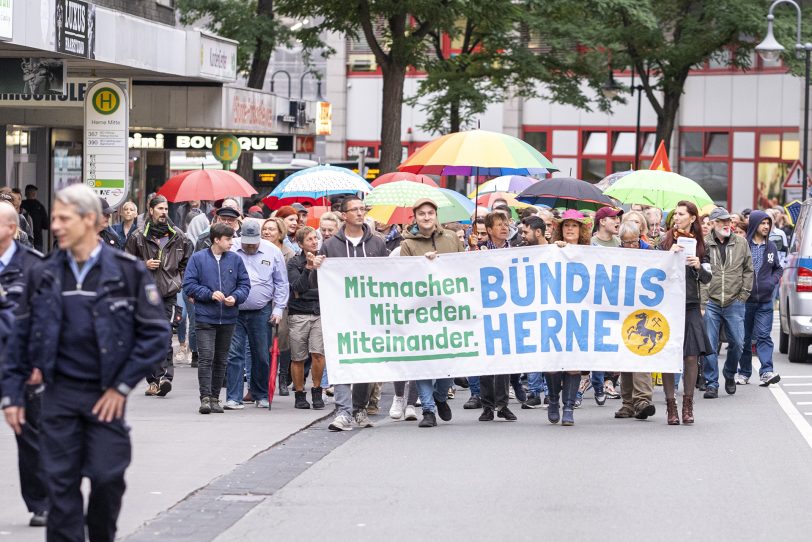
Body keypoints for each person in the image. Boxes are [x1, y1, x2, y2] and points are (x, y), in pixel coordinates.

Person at [2, 184, 170, 542]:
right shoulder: (43, 272)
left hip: (105, 396)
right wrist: (13, 394)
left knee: (108, 479)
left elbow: (155, 335)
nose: (56, 225)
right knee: (60, 490)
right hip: (57, 396)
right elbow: (18, 337)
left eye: (64, 218)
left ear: (90, 220)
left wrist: (122, 386)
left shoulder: (127, 272)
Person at [311, 195, 387, 431]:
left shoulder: (377, 243)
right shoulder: (331, 245)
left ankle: (359, 409)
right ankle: (343, 411)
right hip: (341, 314)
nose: (359, 213)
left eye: (362, 209)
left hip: (369, 313)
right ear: (344, 215)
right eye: (354, 210)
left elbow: (389, 275)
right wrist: (316, 267)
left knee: (364, 362)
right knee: (341, 360)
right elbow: (317, 281)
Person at [0, 201, 49, 527]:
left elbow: (46, 318)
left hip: (19, 362)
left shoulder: (33, 265)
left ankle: (41, 502)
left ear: (10, 228)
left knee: (29, 434)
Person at [399, 198, 465, 427]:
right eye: (422, 214)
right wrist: (423, 265)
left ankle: (440, 396)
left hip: (449, 309)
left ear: (436, 216)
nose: (426, 217)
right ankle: (428, 409)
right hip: (422, 311)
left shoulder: (451, 238)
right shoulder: (408, 244)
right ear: (415, 218)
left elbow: (463, 267)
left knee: (448, 362)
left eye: (430, 213)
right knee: (423, 362)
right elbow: (404, 276)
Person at [125, 195, 193, 397]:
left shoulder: (179, 236)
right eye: (160, 208)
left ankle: (164, 378)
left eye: (166, 209)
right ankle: (153, 381)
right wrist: (142, 265)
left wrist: (177, 280)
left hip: (168, 294)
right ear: (151, 210)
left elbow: (187, 263)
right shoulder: (138, 236)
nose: (164, 212)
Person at [183, 223, 251, 415]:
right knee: (206, 358)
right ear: (216, 240)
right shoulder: (198, 259)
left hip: (228, 317)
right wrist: (209, 294)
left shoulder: (235, 260)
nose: (231, 242)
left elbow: (244, 284)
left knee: (221, 359)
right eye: (228, 239)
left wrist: (236, 297)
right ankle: (204, 398)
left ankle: (214, 398)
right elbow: (189, 284)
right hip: (206, 316)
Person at [659, 202, 713, 424]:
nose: (676, 218)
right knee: (669, 356)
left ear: (692, 218)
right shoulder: (664, 242)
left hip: (690, 303)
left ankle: (688, 404)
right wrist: (667, 256)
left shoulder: (701, 245)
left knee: (691, 356)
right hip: (667, 305)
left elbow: (709, 278)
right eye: (675, 215)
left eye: (681, 214)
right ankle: (671, 406)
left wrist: (699, 265)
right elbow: (653, 272)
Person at [224, 220, 288, 410]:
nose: (250, 245)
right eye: (247, 241)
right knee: (234, 353)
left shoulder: (272, 251)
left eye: (254, 241)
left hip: (262, 310)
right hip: (234, 309)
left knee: (261, 353)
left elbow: (281, 283)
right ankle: (233, 397)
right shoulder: (232, 248)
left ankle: (260, 394)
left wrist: (278, 310)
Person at [702, 207, 753, 399]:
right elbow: (700, 273)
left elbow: (749, 269)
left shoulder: (741, 242)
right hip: (712, 301)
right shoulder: (705, 244)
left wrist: (744, 294)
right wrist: (703, 300)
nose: (726, 224)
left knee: (738, 343)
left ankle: (730, 373)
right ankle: (712, 383)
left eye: (728, 221)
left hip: (734, 301)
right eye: (721, 221)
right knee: (709, 344)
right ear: (713, 223)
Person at [547, 209, 592, 426]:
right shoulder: (550, 250)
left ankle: (569, 407)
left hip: (579, 313)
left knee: (574, 363)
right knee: (553, 362)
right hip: (554, 312)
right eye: (566, 225)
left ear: (581, 229)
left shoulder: (591, 252)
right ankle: (554, 400)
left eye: (574, 225)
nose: (570, 229)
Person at [613, 221, 658, 421]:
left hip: (644, 309)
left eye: (634, 242)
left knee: (641, 353)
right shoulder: (615, 254)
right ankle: (627, 403)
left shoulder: (650, 252)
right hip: (623, 310)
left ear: (640, 238)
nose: (631, 246)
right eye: (626, 243)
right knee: (625, 356)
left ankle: (642, 400)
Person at [477, 211, 518, 422]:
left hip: (507, 309)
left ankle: (502, 405)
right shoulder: (478, 250)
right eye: (499, 224)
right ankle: (487, 405)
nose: (504, 227)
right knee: (486, 360)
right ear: (489, 230)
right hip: (484, 310)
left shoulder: (515, 252)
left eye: (506, 224)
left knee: (503, 360)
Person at [736, 211, 782, 387]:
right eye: (762, 223)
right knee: (745, 338)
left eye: (768, 223)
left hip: (765, 301)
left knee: (763, 336)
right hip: (744, 301)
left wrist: (771, 282)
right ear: (755, 224)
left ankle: (766, 372)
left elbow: (778, 269)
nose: (766, 226)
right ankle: (744, 373)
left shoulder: (771, 247)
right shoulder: (742, 245)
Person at [287, 226, 327, 410]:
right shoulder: (294, 262)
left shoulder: (326, 260)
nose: (314, 242)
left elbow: (327, 289)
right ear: (300, 243)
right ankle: (300, 393)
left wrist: (308, 293)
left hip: (319, 312)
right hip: (299, 314)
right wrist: (308, 269)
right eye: (309, 239)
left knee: (318, 353)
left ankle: (317, 390)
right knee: (298, 356)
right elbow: (298, 288)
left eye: (315, 238)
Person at [262, 216, 294, 396]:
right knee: (265, 342)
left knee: (282, 339)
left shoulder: (288, 253)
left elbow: (286, 281)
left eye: (271, 229)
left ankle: (282, 378)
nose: (267, 232)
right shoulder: (259, 249)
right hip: (263, 301)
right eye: (265, 229)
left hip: (282, 303)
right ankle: (267, 378)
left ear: (280, 233)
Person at [519, 215, 549, 409]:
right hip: (529, 306)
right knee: (531, 349)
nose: (522, 235)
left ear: (538, 232)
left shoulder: (555, 250)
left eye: (526, 231)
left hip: (549, 306)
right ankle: (534, 391)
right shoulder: (522, 251)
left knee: (547, 349)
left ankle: (548, 391)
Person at [20, 184, 48, 251]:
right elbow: (46, 225)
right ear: (35, 194)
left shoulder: (21, 205)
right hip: (37, 239)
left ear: (25, 193)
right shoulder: (39, 206)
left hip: (23, 239)